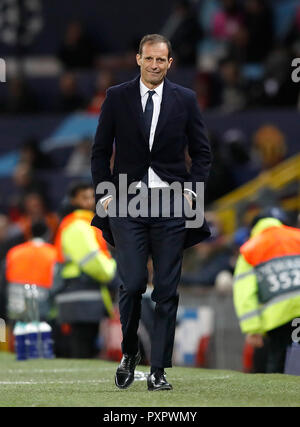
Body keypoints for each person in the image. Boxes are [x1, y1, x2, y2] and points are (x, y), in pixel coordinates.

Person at [91, 34, 211, 390]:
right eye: (149, 59)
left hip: (172, 201)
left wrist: (193, 191)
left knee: (167, 291)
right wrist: (103, 195)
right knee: (130, 284)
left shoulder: (186, 99)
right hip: (127, 200)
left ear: (170, 63)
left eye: (162, 60)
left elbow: (203, 153)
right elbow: (99, 152)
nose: (155, 65)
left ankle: (158, 370)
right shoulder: (116, 97)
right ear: (138, 59)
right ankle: (131, 352)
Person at [54, 182, 117, 358]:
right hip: (81, 294)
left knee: (83, 346)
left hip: (79, 295)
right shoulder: (78, 225)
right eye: (84, 197)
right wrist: (112, 272)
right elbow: (92, 260)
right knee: (82, 348)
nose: (89, 201)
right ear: (73, 200)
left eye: (92, 197)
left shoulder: (77, 224)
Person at [233, 207, 300, 373]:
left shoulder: (250, 249)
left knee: (276, 360)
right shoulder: (297, 236)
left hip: (279, 316)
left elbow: (245, 293)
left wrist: (252, 329)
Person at [5, 220, 57, 324]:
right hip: (41, 305)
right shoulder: (53, 253)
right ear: (48, 234)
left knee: (18, 336)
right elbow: (57, 282)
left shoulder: (14, 252)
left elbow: (4, 280)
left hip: (15, 303)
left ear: (30, 233)